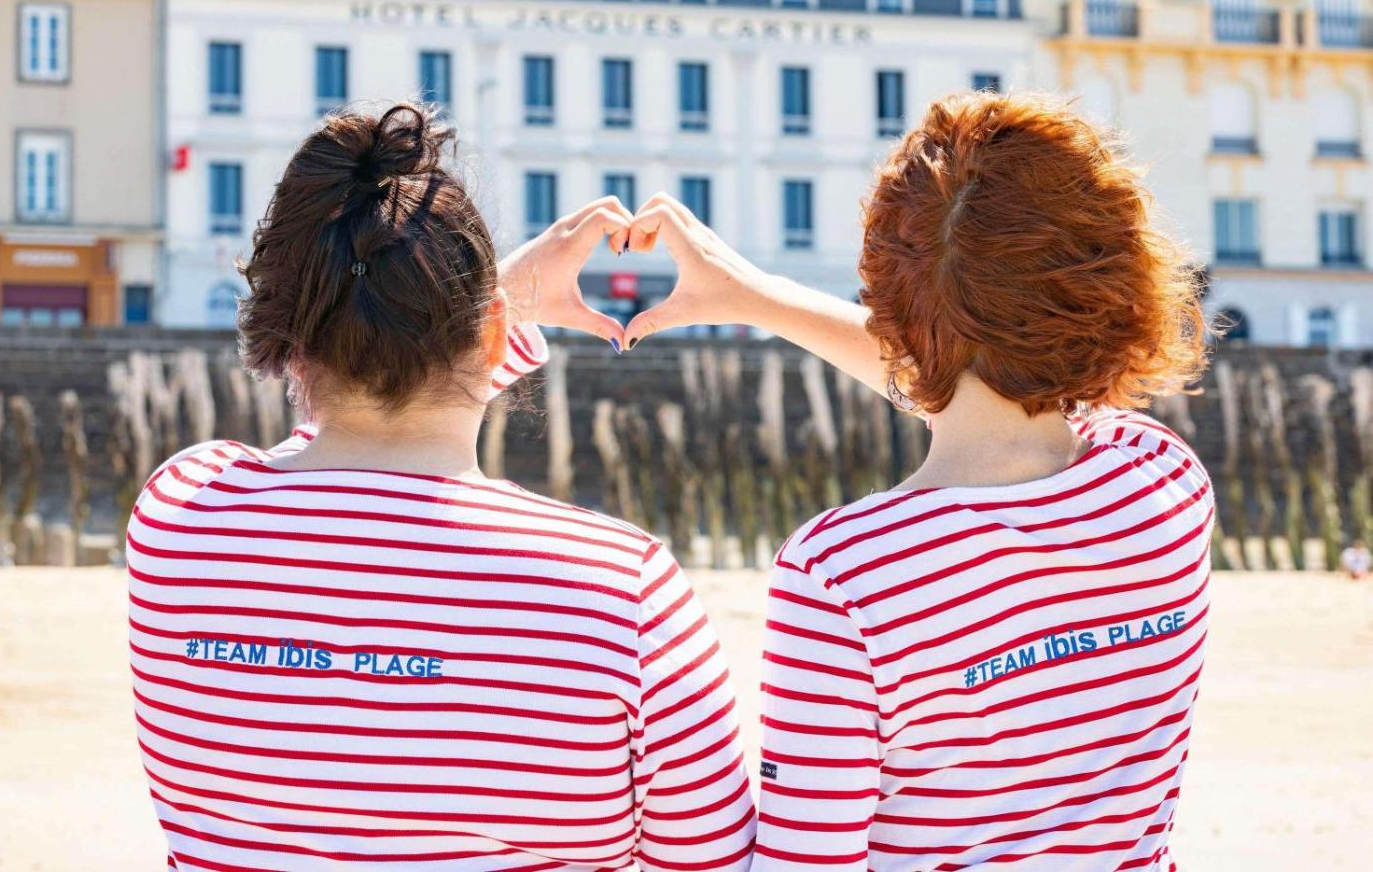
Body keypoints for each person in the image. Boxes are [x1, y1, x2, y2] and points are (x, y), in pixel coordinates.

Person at [126, 103, 755, 871]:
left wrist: (481, 305)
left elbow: (313, 459)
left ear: (289, 340)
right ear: (494, 334)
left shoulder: (178, 517)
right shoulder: (620, 590)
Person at [619, 91, 1215, 870]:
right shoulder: (1163, 481)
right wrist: (757, 295)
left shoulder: (845, 575)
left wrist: (762, 299)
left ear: (890, 306)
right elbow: (1004, 372)